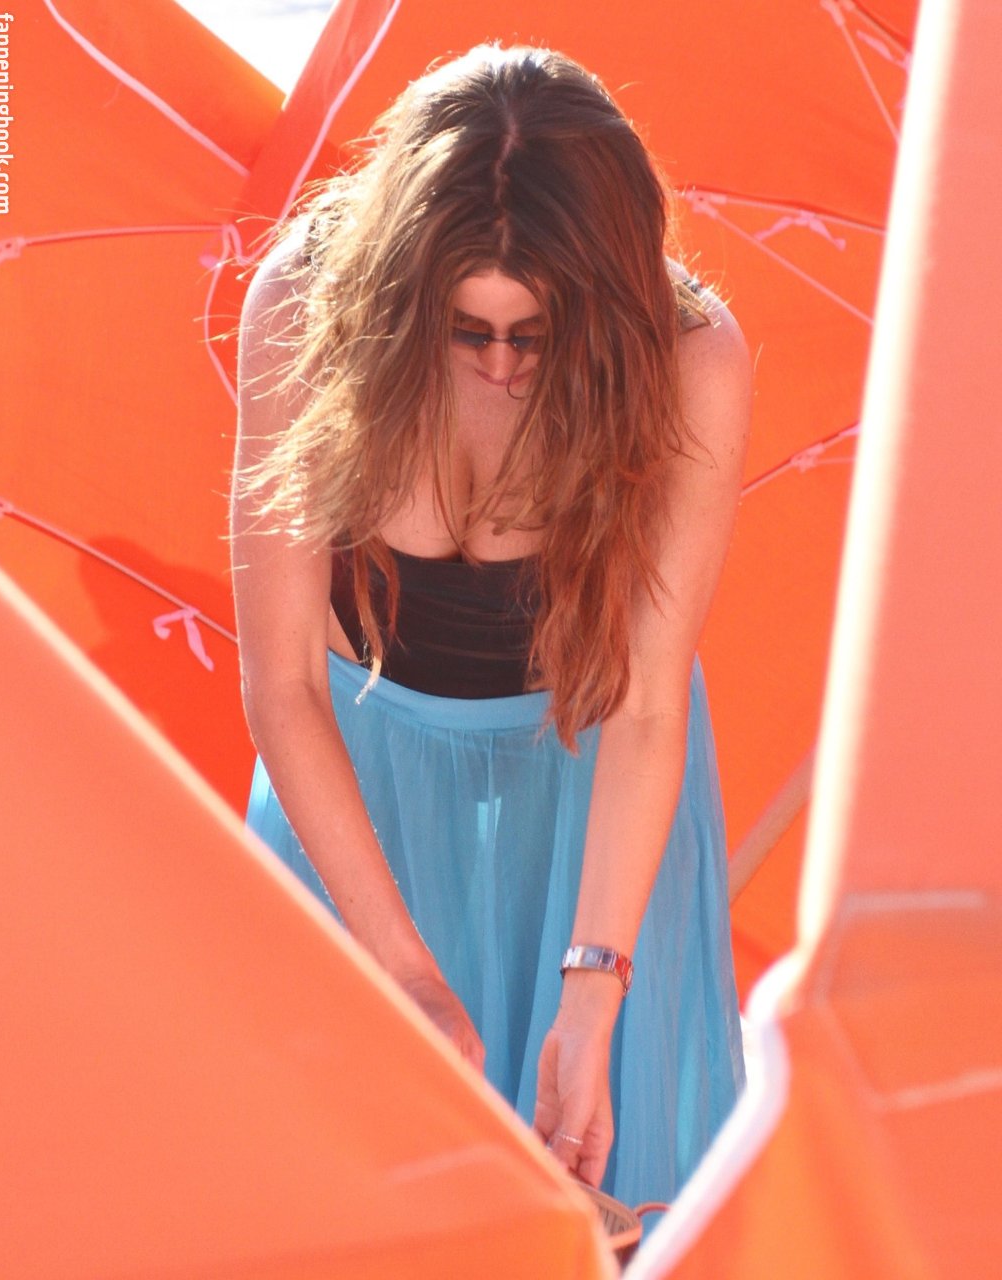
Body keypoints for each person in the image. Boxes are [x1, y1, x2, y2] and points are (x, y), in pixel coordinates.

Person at [231, 43, 750, 1208]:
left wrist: (594, 988)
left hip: (595, 798)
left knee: (609, 1201)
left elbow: (645, 704)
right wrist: (404, 969)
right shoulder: (304, 306)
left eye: (538, 332)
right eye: (467, 330)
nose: (505, 365)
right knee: (337, 1199)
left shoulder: (689, 355)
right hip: (353, 792)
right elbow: (283, 682)